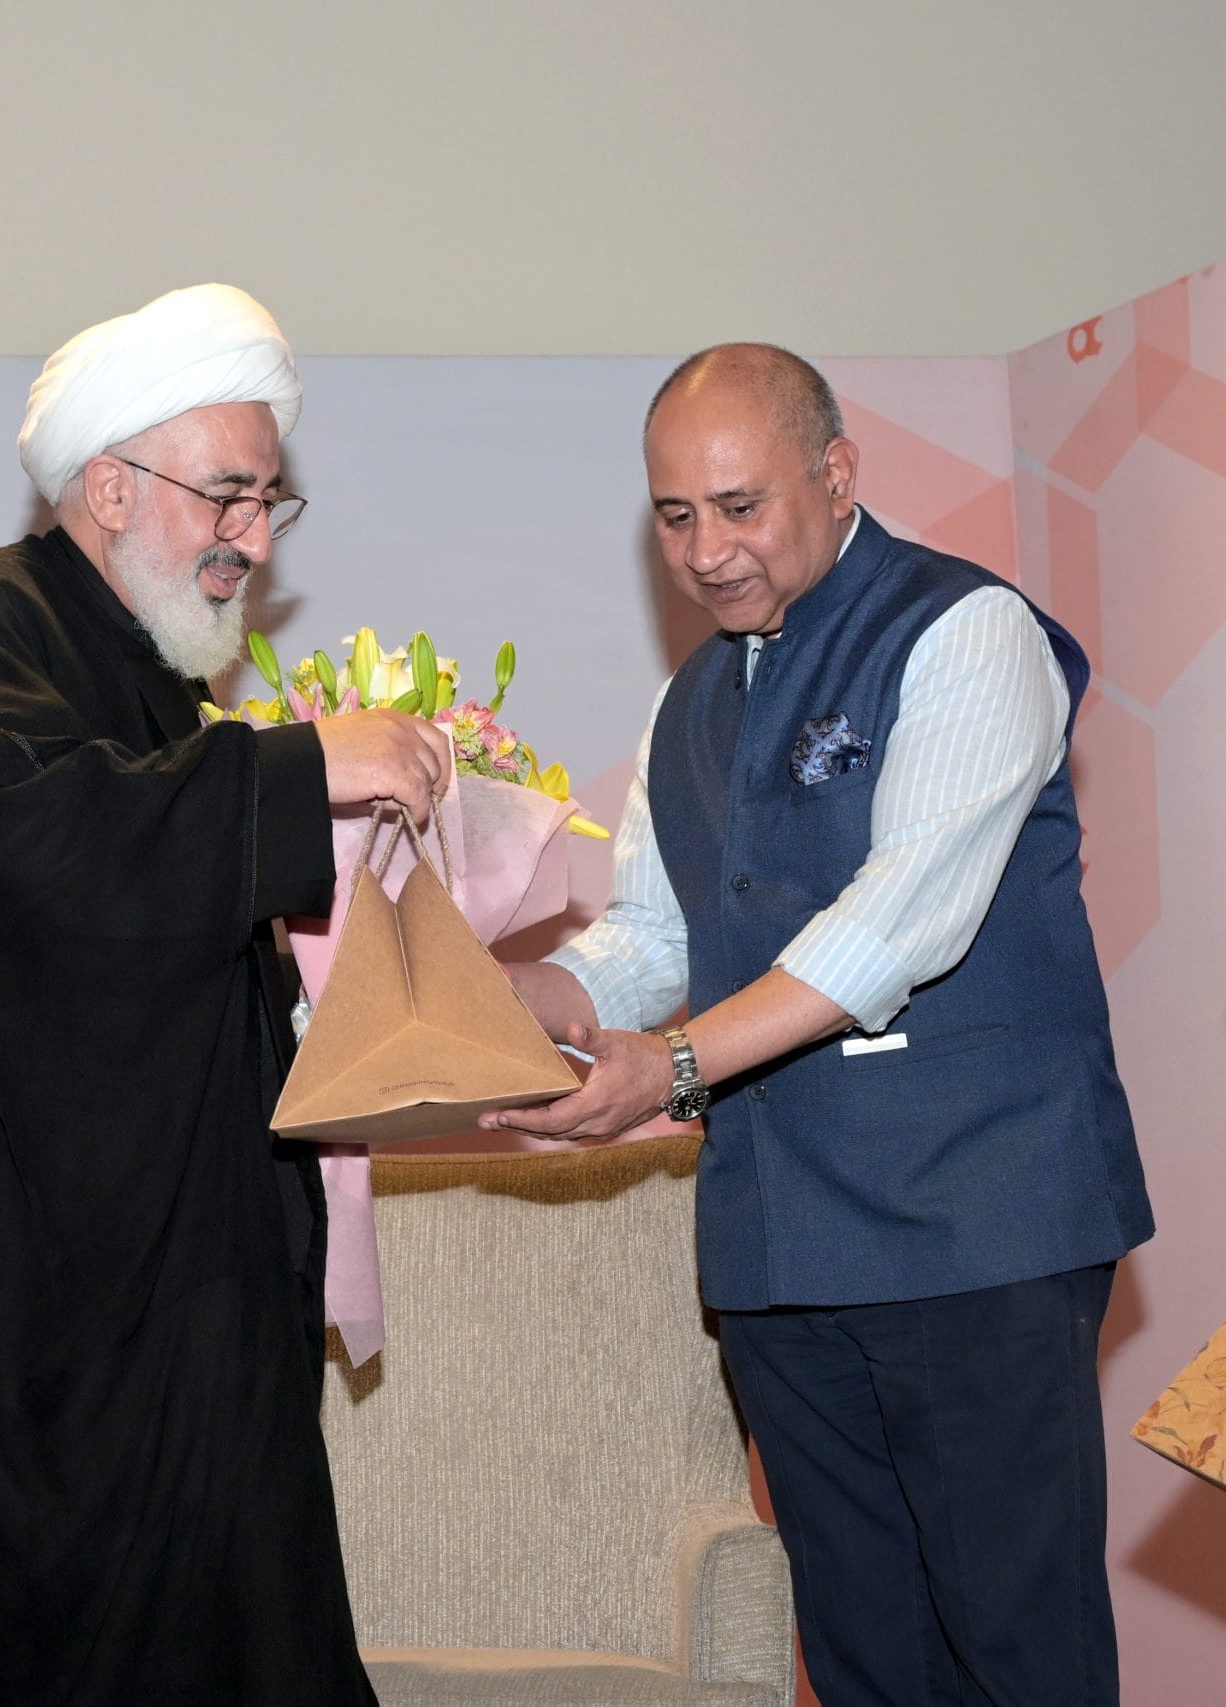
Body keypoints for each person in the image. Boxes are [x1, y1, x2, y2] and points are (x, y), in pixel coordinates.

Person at [0, 284, 449, 1705]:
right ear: (110, 485)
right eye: (229, 496)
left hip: (172, 1338)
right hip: (11, 1354)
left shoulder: (156, 689)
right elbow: (47, 840)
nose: (252, 538)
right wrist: (304, 768)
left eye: (269, 502)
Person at [486, 344, 1153, 1706]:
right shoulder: (690, 703)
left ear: (837, 475)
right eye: (676, 517)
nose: (708, 550)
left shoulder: (969, 633)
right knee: (864, 1658)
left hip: (976, 1228)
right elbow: (654, 943)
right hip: (783, 1251)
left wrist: (667, 1071)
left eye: (740, 506)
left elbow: (896, 925)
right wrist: (500, 998)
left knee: (1016, 1651)